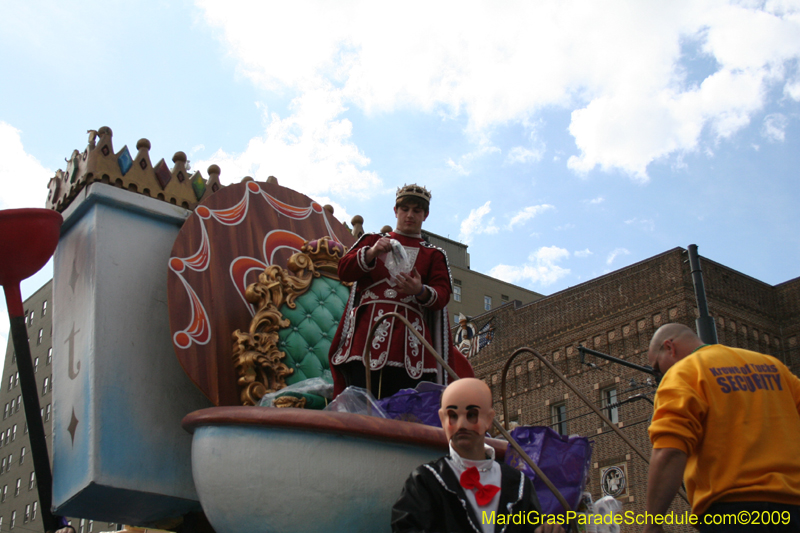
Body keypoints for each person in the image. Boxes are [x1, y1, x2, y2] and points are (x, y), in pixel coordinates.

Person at [644, 323, 800, 532]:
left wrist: (652, 524)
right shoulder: (773, 366)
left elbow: (670, 450)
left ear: (670, 347)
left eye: (656, 368)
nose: (659, 376)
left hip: (733, 513)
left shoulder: (684, 373)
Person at [328, 184, 473, 399]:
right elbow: (344, 271)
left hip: (410, 346)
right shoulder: (371, 241)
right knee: (360, 405)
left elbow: (442, 295)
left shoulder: (433, 255)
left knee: (404, 410)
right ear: (395, 211)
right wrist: (373, 252)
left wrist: (420, 290)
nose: (410, 215)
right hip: (364, 340)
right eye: (405, 209)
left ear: (425, 215)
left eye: (417, 211)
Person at [391, 378, 565, 533]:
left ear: (489, 419)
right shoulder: (426, 481)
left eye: (472, 415)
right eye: (452, 415)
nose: (461, 424)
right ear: (443, 420)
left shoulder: (518, 484)